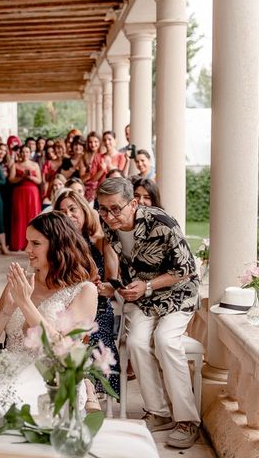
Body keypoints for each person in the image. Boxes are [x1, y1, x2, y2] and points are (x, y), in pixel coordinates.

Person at [97, 177, 200, 449]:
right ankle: (158, 412)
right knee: (136, 342)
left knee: (166, 341)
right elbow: (124, 267)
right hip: (143, 298)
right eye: (103, 209)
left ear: (133, 204)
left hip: (177, 293)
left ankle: (188, 421)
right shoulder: (110, 226)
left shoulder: (162, 222)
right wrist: (117, 286)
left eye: (115, 208)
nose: (108, 215)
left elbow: (185, 269)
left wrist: (148, 285)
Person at [0, 212, 98, 358]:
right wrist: (6, 310)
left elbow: (65, 352)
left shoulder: (84, 291)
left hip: (51, 376)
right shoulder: (21, 283)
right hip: (9, 370)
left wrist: (24, 303)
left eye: (35, 243)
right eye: (28, 242)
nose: (27, 249)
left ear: (59, 245)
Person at [54, 189, 120, 396]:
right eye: (62, 211)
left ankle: (91, 388)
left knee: (91, 336)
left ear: (83, 210)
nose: (69, 215)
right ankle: (79, 389)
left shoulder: (101, 241)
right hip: (64, 307)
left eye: (73, 209)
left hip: (98, 308)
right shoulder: (56, 246)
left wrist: (98, 287)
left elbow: (113, 281)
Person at [8, 145, 42, 250]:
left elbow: (40, 181)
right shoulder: (15, 164)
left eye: (27, 152)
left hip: (32, 193)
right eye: (23, 152)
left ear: (30, 152)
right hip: (19, 193)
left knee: (33, 216)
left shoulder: (35, 165)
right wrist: (22, 177)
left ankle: (34, 243)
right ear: (20, 153)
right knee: (19, 217)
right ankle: (19, 243)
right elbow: (11, 180)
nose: (25, 154)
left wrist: (30, 177)